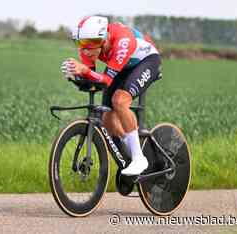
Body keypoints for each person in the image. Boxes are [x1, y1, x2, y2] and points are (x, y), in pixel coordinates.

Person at [61, 16, 162, 175]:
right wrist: (76, 75)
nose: (86, 49)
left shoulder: (122, 40)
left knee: (120, 101)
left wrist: (85, 71)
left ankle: (139, 158)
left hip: (146, 61)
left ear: (103, 39)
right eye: (81, 43)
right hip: (123, 66)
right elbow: (91, 77)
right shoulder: (88, 46)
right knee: (107, 116)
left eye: (91, 43)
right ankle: (130, 151)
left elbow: (106, 79)